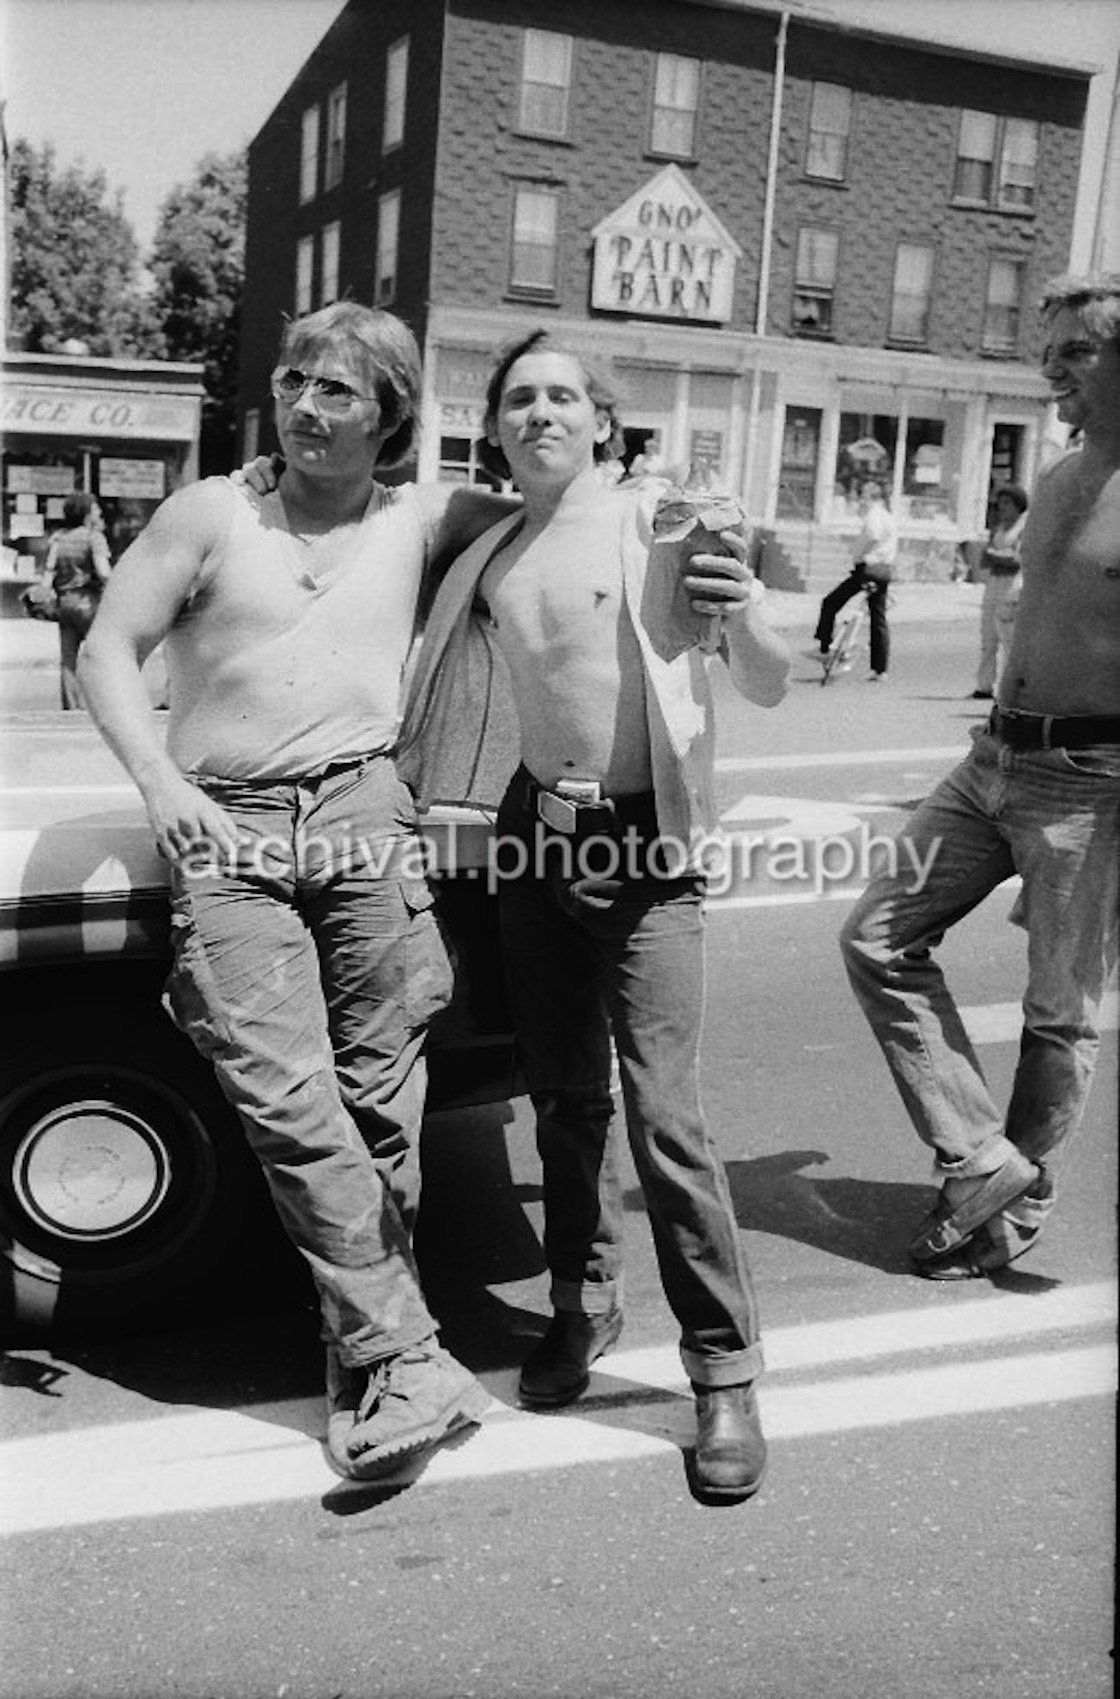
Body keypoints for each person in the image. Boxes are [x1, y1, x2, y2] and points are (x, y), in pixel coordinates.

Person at [78, 302, 516, 1481]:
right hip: (229, 822)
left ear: (393, 417)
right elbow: (104, 649)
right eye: (292, 380)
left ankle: (370, 1365)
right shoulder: (214, 511)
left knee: (383, 1099)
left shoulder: (422, 515)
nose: (306, 406)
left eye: (338, 390)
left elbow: (558, 525)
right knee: (286, 1095)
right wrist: (161, 779)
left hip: (367, 811)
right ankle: (407, 1350)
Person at [396, 330, 792, 1501]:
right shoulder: (494, 545)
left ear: (603, 421)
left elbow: (767, 676)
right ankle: (581, 1302)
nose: (540, 412)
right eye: (520, 397)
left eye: (564, 395)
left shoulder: (660, 522)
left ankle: (723, 1375)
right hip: (531, 845)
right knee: (564, 1105)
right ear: (497, 424)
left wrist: (744, 609)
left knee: (666, 1120)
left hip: (645, 848)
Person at [839, 272, 1120, 1279]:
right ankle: (981, 1156)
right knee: (876, 938)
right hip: (990, 758)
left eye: (1074, 350)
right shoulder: (1056, 473)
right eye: (1045, 350)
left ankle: (1002, 1218)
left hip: (1091, 782)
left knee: (1058, 1013)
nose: (1048, 368)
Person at [811, 478, 898, 680]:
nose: (861, 501)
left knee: (831, 601)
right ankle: (880, 669)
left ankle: (824, 647)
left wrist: (857, 553)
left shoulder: (874, 515)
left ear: (872, 498)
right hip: (884, 570)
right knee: (878, 619)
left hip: (868, 568)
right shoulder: (888, 517)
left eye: (863, 497)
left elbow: (873, 535)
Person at [44, 493, 113, 709]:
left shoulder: (58, 538)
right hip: (89, 603)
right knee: (101, 655)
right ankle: (102, 704)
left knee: (68, 659)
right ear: (85, 514)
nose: (99, 512)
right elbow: (104, 572)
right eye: (95, 509)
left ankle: (72, 709)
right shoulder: (94, 537)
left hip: (64, 604)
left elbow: (48, 572)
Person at [971, 483, 1029, 700]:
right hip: (994, 583)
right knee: (988, 637)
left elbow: (1017, 561)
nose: (1002, 508)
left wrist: (996, 557)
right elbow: (985, 559)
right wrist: (995, 557)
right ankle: (984, 684)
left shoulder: (1024, 529)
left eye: (1007, 503)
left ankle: (1009, 689)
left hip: (1012, 585)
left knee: (1008, 638)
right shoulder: (999, 529)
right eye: (1000, 503)